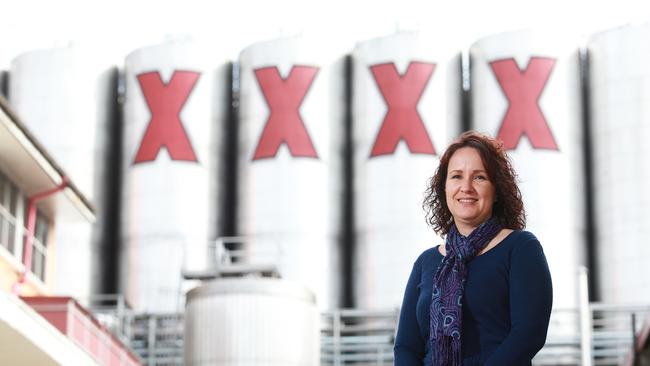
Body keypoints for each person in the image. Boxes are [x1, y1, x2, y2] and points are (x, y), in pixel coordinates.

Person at [394, 131, 553, 366]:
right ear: (444, 188)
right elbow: (406, 346)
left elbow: (529, 333)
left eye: (479, 177)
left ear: (496, 189)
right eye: (456, 176)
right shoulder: (426, 262)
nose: (466, 187)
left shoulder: (520, 248)